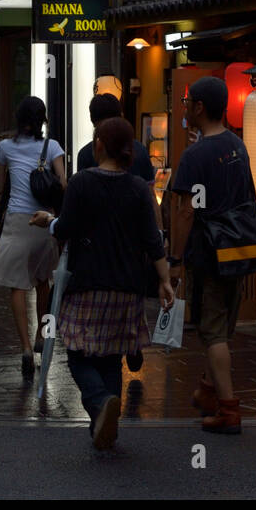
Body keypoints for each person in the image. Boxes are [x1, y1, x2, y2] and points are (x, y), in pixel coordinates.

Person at [29, 116, 173, 449]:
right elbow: (153, 241)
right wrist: (164, 280)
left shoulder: (82, 183)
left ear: (99, 146)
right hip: (128, 289)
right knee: (111, 357)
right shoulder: (138, 188)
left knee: (79, 356)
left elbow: (66, 229)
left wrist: (47, 222)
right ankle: (104, 426)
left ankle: (99, 402)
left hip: (88, 285)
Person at [169, 76, 256, 434]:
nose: (186, 108)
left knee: (212, 332)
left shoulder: (195, 155)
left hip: (207, 252)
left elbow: (186, 211)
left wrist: (175, 261)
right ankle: (208, 391)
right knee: (224, 325)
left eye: (188, 103)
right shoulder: (238, 147)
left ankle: (228, 409)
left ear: (199, 108)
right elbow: (248, 198)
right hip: (239, 248)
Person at [0, 96, 67, 377]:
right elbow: (64, 183)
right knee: (43, 280)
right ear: (43, 120)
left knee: (17, 286)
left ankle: (25, 348)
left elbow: (0, 184)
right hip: (44, 221)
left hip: (17, 221)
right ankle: (42, 333)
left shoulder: (5, 147)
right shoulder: (52, 146)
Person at [76, 92, 157, 375]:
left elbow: (82, 204)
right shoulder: (139, 151)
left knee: (107, 296)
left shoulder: (87, 154)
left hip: (99, 240)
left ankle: (112, 348)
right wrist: (157, 235)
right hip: (134, 239)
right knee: (133, 293)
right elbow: (149, 198)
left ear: (93, 121)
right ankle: (132, 342)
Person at [76, 93, 154, 181]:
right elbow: (150, 190)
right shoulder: (139, 150)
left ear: (93, 121)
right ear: (121, 116)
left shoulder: (85, 154)